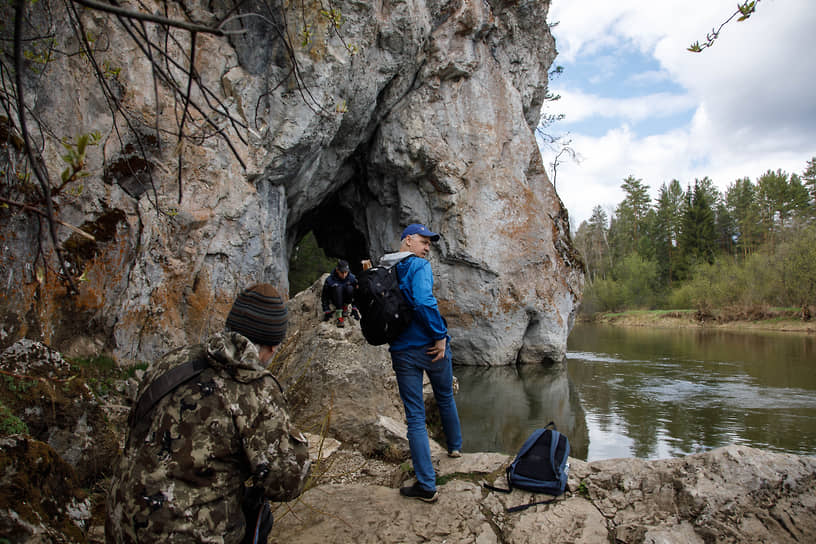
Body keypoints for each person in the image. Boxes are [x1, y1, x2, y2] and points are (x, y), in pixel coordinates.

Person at [105, 284, 311, 543]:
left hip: (121, 522)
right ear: (270, 347)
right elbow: (287, 482)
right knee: (261, 516)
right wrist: (297, 441)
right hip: (182, 535)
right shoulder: (254, 387)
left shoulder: (173, 361)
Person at [380, 223, 463, 503]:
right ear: (408, 241)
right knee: (444, 395)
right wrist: (440, 336)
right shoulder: (418, 266)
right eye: (423, 242)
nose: (427, 248)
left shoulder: (385, 268)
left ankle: (426, 485)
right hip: (429, 347)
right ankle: (454, 448)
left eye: (430, 243)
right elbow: (424, 302)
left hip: (402, 350)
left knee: (414, 418)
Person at [320, 259, 359, 328]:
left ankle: (345, 307)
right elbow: (324, 296)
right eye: (342, 272)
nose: (344, 275)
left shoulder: (352, 278)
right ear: (337, 270)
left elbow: (357, 294)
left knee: (350, 288)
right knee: (338, 288)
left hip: (346, 299)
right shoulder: (330, 280)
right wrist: (326, 310)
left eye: (346, 272)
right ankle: (339, 316)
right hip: (335, 298)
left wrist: (354, 308)